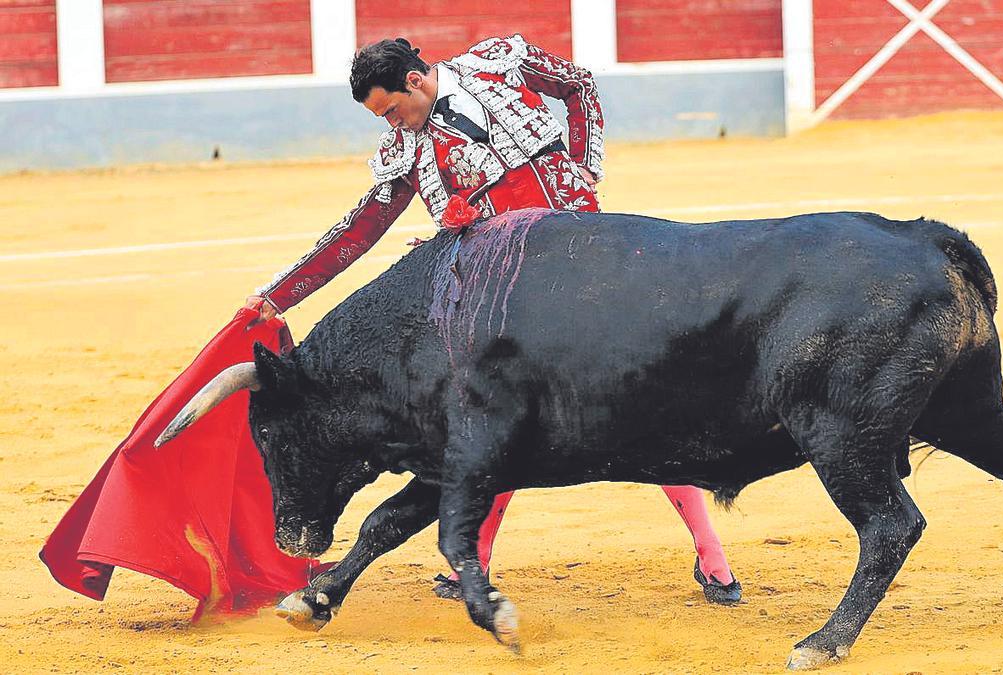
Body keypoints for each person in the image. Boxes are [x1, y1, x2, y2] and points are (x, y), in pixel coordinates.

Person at [243, 34, 741, 603]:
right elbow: (360, 229)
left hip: (583, 268)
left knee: (634, 408)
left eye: (391, 111)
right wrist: (278, 295)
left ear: (414, 80)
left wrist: (583, 171)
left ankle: (713, 557)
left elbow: (578, 86)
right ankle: (470, 564)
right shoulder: (405, 149)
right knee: (500, 415)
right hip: (505, 300)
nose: (392, 126)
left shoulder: (499, 61)